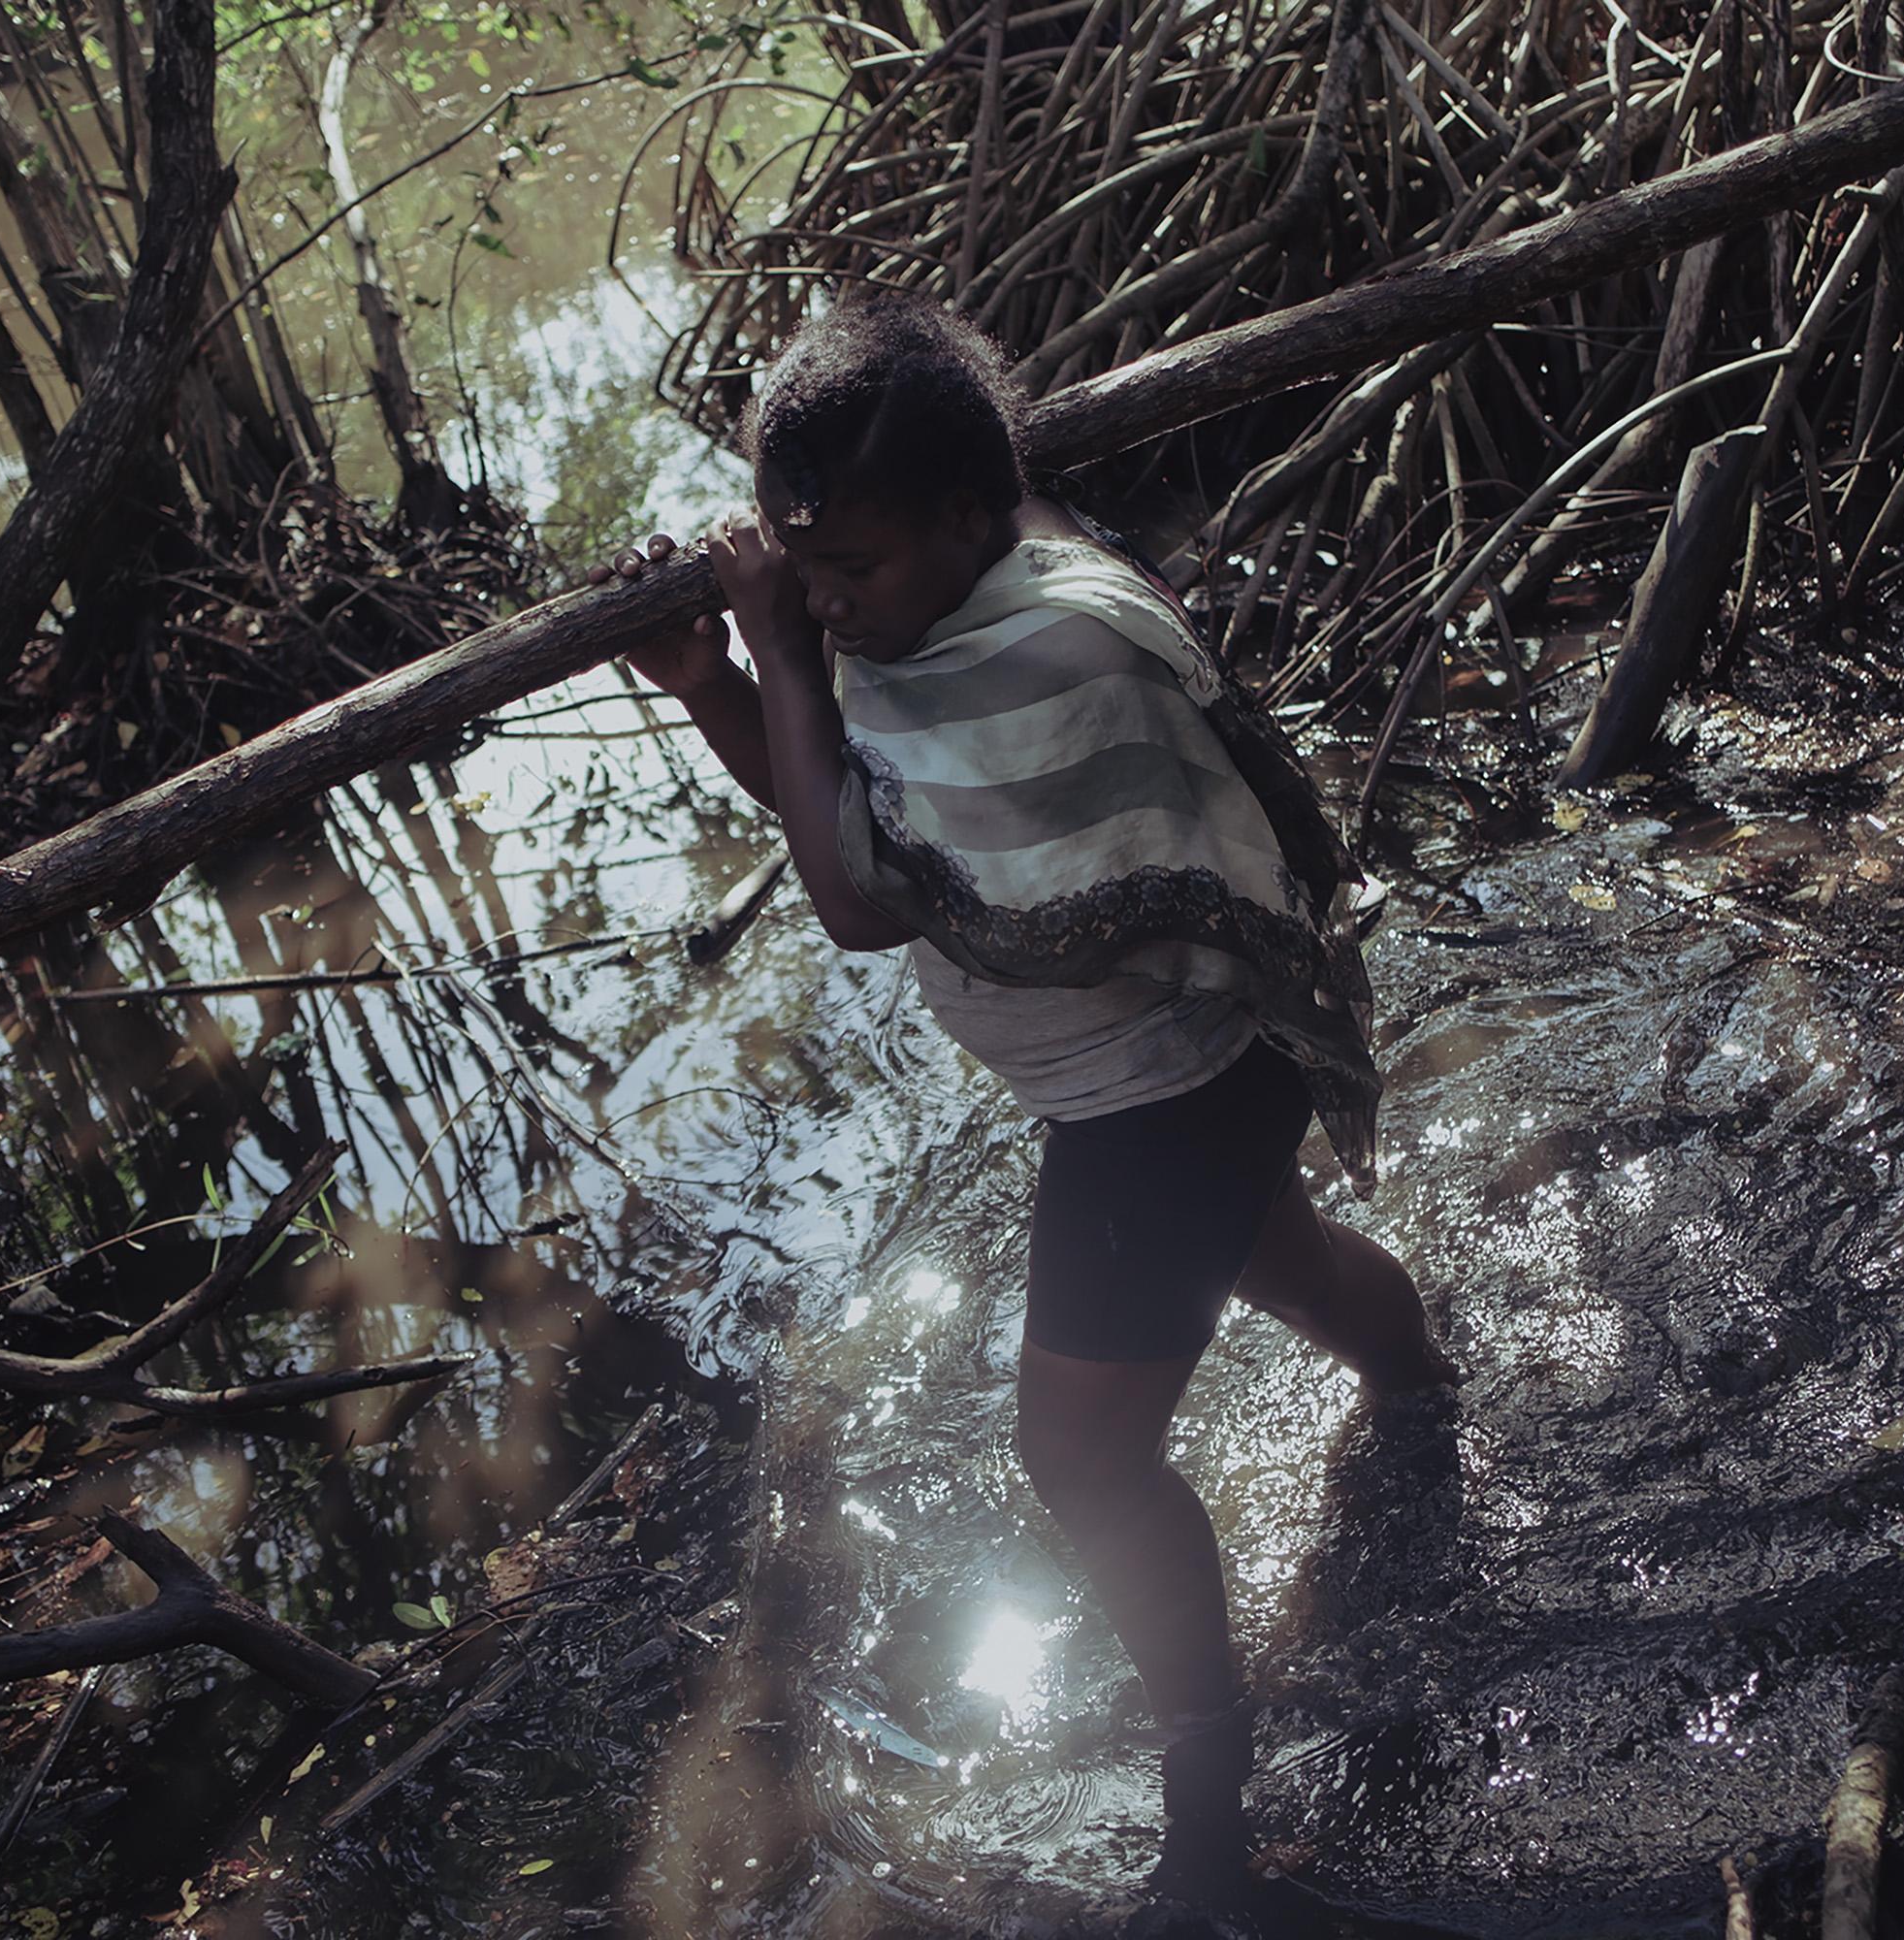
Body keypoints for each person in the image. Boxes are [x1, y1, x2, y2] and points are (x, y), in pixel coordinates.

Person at [596, 293, 1455, 1891]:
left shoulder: (1046, 653)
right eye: (813, 570)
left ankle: (1209, 1802)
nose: (836, 608)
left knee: (1081, 1463)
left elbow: (858, 897)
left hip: (1160, 1100)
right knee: (1282, 1260)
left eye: (857, 571)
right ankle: (1428, 1390)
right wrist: (716, 679)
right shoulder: (975, 591)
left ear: (971, 518)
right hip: (1214, 1061)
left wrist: (773, 654)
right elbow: (858, 809)